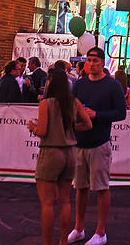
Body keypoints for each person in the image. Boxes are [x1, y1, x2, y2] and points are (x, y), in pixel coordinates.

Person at [68, 48, 126, 245]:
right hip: (79, 143)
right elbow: (70, 107)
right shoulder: (79, 84)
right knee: (80, 188)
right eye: (89, 60)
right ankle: (78, 228)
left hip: (100, 142)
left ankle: (101, 232)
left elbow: (121, 113)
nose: (91, 63)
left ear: (102, 62)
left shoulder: (113, 86)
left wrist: (96, 115)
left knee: (101, 187)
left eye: (95, 60)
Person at [28, 70, 92, 245]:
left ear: (50, 83)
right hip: (70, 152)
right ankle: (63, 241)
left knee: (47, 203)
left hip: (50, 152)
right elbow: (88, 124)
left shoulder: (46, 104)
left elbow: (42, 131)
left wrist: (32, 127)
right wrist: (71, 130)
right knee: (64, 200)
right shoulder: (74, 102)